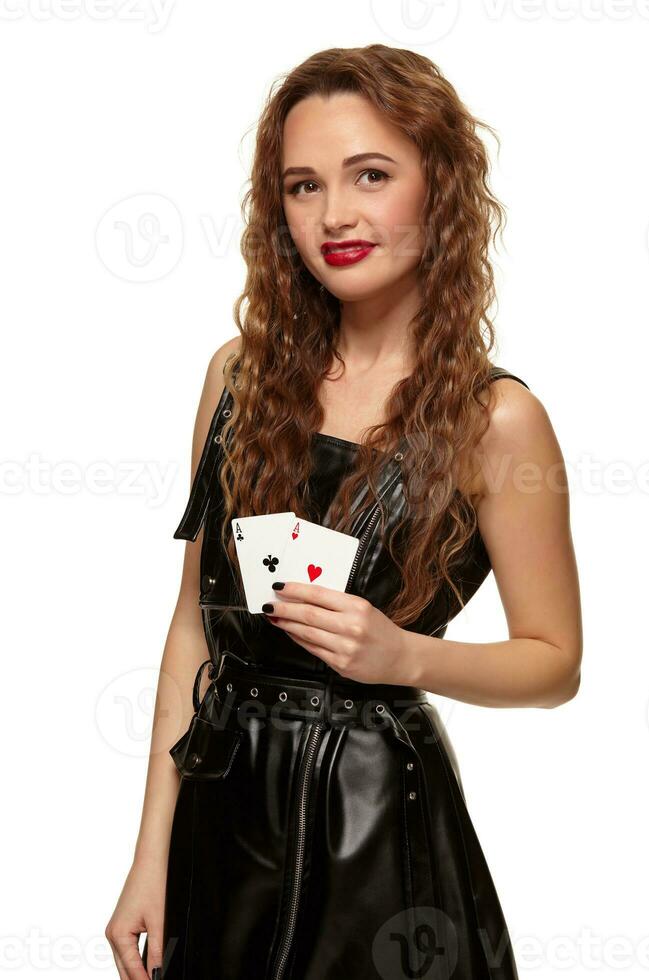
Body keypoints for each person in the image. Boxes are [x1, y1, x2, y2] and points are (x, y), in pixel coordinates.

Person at [106, 43, 582, 980]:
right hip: (223, 804)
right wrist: (149, 855)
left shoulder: (498, 420)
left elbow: (554, 663)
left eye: (371, 175)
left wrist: (404, 655)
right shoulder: (238, 377)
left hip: (378, 825)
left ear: (438, 187)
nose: (337, 215)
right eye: (303, 185)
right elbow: (193, 630)